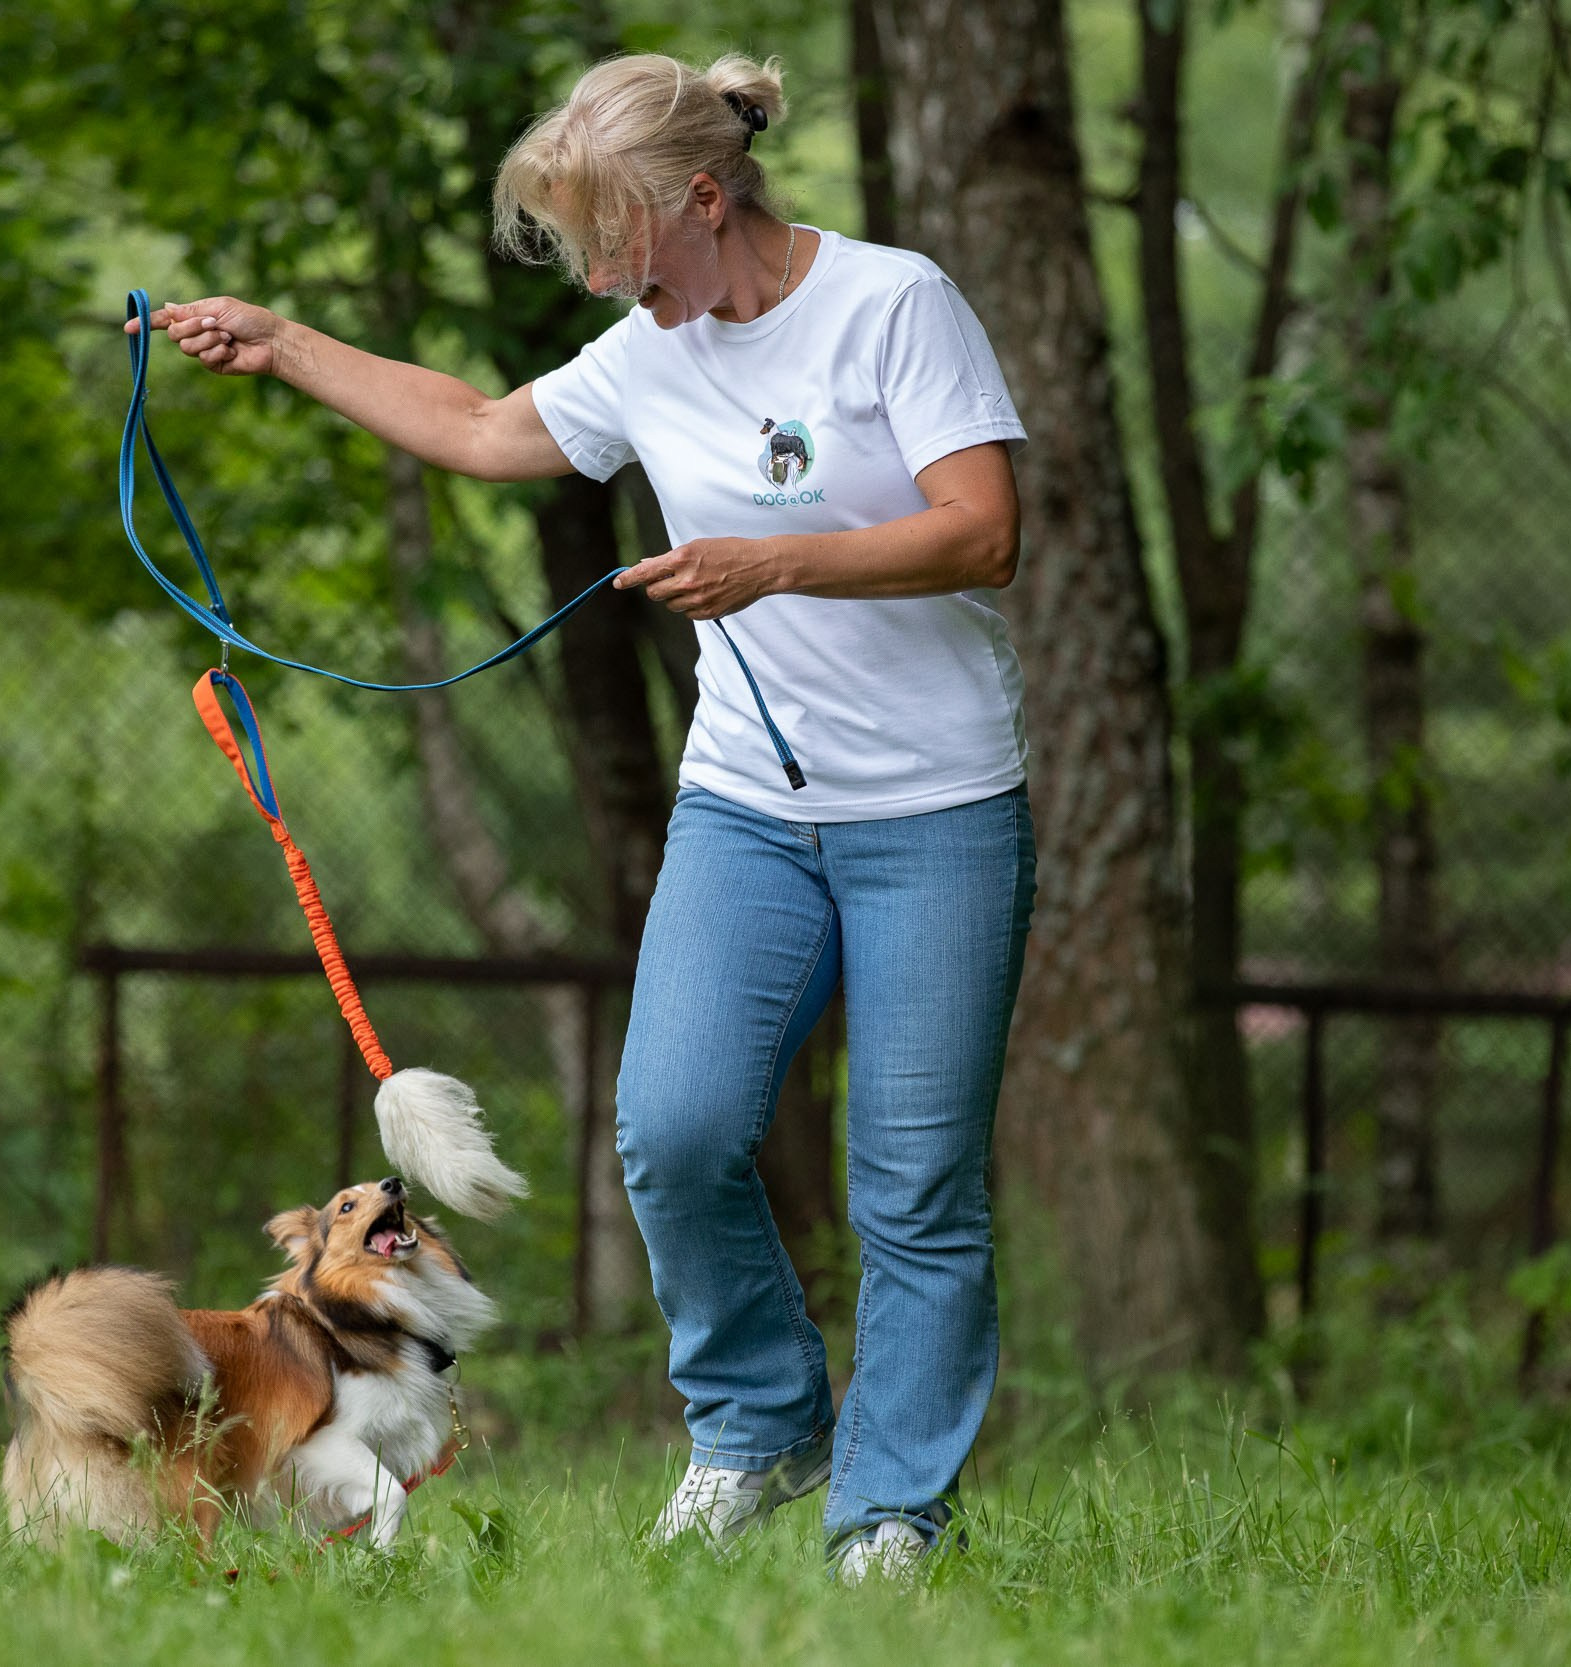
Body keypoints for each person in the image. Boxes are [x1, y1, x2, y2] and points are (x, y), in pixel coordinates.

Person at [129, 51, 1034, 1582]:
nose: (604, 277)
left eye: (617, 240)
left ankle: (889, 1509)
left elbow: (984, 531)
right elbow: (486, 428)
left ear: (706, 195)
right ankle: (759, 1419)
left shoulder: (893, 304)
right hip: (748, 809)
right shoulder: (648, 352)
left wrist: (769, 562)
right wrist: (284, 344)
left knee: (914, 1183)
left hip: (936, 807)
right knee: (673, 1128)